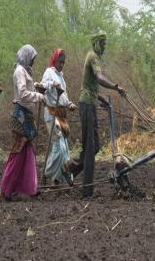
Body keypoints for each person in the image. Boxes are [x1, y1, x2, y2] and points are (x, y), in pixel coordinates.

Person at [69, 29, 125, 197]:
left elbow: (91, 86)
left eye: (105, 43)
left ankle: (71, 169)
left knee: (95, 146)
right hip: (86, 105)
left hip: (90, 103)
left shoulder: (94, 57)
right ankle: (87, 189)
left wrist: (102, 99)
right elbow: (99, 78)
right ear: (96, 43)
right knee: (90, 146)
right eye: (103, 43)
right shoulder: (92, 56)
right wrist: (115, 87)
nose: (104, 47)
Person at [0, 44, 45, 200]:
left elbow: (26, 89)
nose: (33, 62)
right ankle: (5, 189)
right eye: (32, 59)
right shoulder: (19, 71)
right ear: (26, 57)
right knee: (18, 151)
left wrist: (36, 87)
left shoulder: (24, 71)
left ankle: (29, 187)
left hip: (26, 114)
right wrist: (39, 96)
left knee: (27, 151)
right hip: (21, 115)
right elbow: (23, 94)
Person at [40, 49, 77, 186]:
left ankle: (57, 178)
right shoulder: (49, 72)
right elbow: (42, 86)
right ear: (54, 60)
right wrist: (52, 85)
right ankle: (47, 172)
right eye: (59, 62)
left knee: (64, 149)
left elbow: (63, 96)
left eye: (63, 62)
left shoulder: (61, 75)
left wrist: (70, 103)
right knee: (59, 147)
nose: (61, 65)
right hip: (51, 113)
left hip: (61, 114)